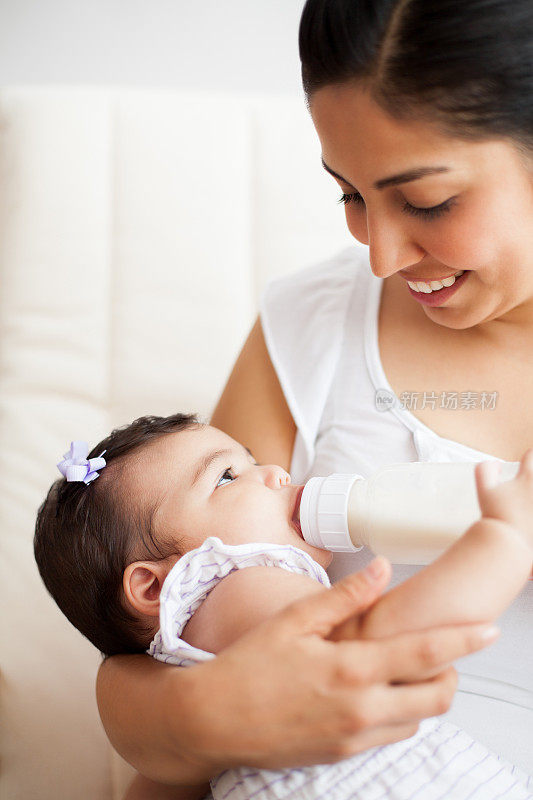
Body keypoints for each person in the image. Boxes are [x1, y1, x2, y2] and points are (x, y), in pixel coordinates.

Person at [96, 0, 533, 796]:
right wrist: (212, 714)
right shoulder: (312, 326)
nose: (381, 255)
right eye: (350, 194)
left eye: (428, 201)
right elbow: (141, 664)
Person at [34, 415, 533, 799]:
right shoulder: (231, 583)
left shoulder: (193, 650)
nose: (275, 472)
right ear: (153, 586)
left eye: (249, 460)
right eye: (227, 478)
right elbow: (389, 647)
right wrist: (507, 540)